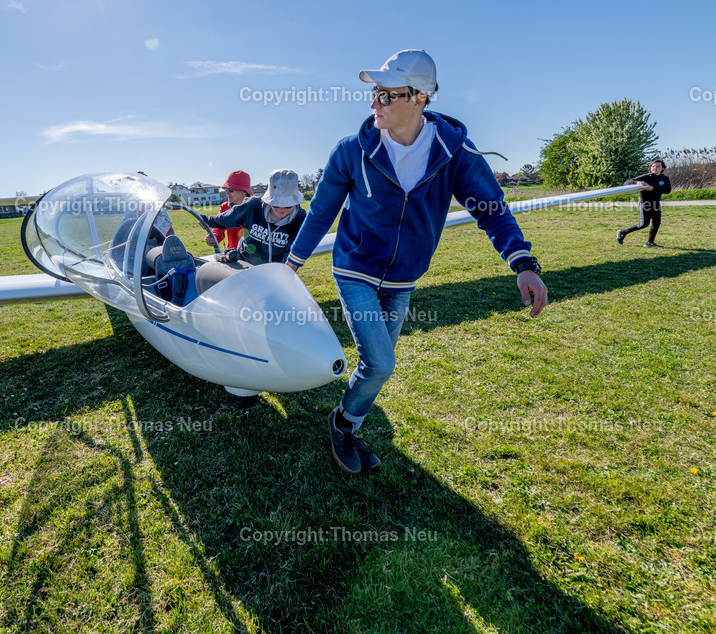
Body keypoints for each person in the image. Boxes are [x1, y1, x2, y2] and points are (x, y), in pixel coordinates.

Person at [285, 49, 548, 474]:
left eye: (386, 95)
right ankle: (343, 425)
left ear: (420, 97)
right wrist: (290, 266)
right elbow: (320, 213)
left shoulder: (456, 150)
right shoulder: (351, 150)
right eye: (374, 93)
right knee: (381, 363)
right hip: (355, 268)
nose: (375, 103)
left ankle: (346, 423)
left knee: (376, 367)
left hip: (405, 278)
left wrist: (523, 263)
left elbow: (491, 209)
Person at [200, 169, 307, 265]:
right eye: (276, 204)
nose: (281, 209)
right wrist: (208, 221)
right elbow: (226, 219)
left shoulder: (300, 219)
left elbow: (293, 251)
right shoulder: (253, 206)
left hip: (274, 270)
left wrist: (284, 272)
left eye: (287, 205)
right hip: (244, 264)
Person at [617, 160, 672, 247]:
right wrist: (636, 182)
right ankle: (623, 232)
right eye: (653, 166)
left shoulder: (664, 178)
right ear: (650, 168)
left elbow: (667, 190)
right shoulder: (646, 177)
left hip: (656, 204)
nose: (655, 168)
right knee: (644, 224)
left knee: (656, 223)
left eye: (658, 166)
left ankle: (650, 243)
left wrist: (652, 189)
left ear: (662, 168)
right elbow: (627, 182)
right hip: (645, 203)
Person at [206, 170, 252, 249]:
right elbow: (218, 226)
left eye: (231, 190)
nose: (227, 193)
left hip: (251, 255)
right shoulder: (225, 207)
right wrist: (214, 236)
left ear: (244, 191)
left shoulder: (255, 208)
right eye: (226, 189)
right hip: (232, 254)